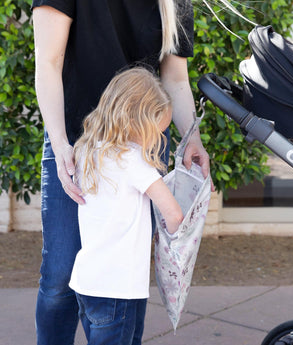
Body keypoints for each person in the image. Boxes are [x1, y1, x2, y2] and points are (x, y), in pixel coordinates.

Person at [32, 0, 211, 344]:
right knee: (59, 278)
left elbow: (174, 78)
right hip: (73, 142)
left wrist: (192, 139)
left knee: (122, 273)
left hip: (143, 144)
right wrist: (59, 146)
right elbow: (48, 62)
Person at [69, 67, 183, 345]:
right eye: (157, 131)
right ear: (138, 122)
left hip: (88, 283)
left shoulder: (86, 150)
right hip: (119, 288)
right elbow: (174, 214)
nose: (157, 139)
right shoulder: (134, 161)